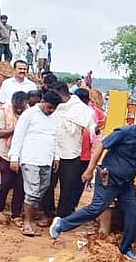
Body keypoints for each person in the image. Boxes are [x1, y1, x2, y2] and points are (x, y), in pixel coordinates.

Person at [49, 111, 136, 262]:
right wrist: (89, 170)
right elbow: (101, 145)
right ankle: (61, 224)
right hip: (108, 178)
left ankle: (126, 248)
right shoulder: (124, 133)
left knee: (133, 214)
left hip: (127, 183)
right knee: (97, 208)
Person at [9, 91, 62, 236]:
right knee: (32, 192)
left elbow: (55, 138)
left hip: (46, 160)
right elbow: (18, 136)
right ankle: (27, 223)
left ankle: (29, 214)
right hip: (30, 158)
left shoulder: (55, 117)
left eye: (54, 108)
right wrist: (14, 157)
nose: (50, 110)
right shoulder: (29, 114)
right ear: (43, 101)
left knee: (43, 188)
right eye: (49, 107)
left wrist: (56, 156)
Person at [42, 81, 98, 219]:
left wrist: (96, 129)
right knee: (47, 186)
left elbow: (92, 127)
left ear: (62, 94)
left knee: (67, 189)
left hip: (71, 154)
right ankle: (48, 214)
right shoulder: (53, 106)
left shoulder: (81, 109)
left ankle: (62, 217)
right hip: (51, 153)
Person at [0, 91, 29, 220]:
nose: (19, 110)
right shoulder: (4, 111)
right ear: (12, 103)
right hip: (5, 153)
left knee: (20, 184)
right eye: (16, 107)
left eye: (21, 107)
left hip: (24, 154)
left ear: (26, 104)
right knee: (6, 182)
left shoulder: (30, 113)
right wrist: (15, 129)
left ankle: (16, 213)